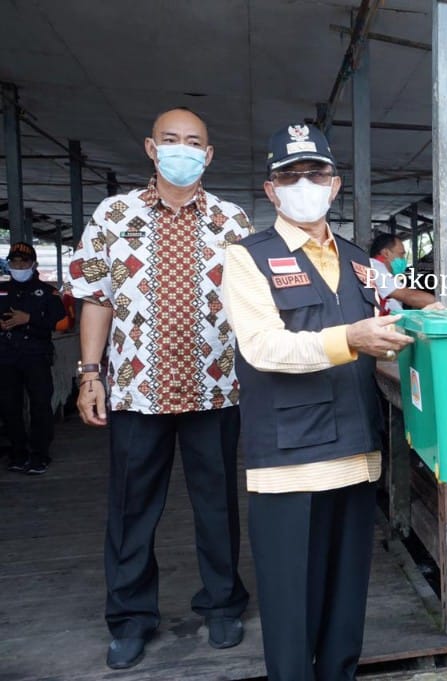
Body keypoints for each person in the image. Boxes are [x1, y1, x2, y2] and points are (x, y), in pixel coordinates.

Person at [222, 123, 411, 681]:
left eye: (316, 173)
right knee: (291, 615)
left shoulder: (358, 261)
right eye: (290, 175)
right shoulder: (247, 258)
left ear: (335, 184)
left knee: (345, 608)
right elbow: (262, 347)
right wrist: (351, 339)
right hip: (289, 463)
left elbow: (380, 344)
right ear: (271, 190)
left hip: (355, 454)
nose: (304, 184)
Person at [68, 107, 250, 669]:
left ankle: (222, 604)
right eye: (170, 140)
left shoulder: (233, 221)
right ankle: (129, 617)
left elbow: (256, 307)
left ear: (209, 153)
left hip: (215, 388)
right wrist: (89, 373)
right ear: (151, 148)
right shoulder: (113, 214)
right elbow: (95, 298)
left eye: (193, 141)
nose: (182, 149)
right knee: (130, 508)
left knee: (217, 505)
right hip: (135, 391)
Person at [0, 242, 67, 474]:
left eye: (23, 262)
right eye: (14, 262)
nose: (18, 266)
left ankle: (40, 455)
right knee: (10, 406)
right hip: (7, 357)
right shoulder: (2, 290)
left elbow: (61, 323)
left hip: (36, 356)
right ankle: (18, 453)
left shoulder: (47, 292)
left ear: (33, 264)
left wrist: (29, 319)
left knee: (40, 405)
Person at [367, 232, 437, 312]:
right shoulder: (377, 269)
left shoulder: (381, 270)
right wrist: (443, 304)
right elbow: (409, 296)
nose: (403, 259)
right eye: (401, 254)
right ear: (386, 253)